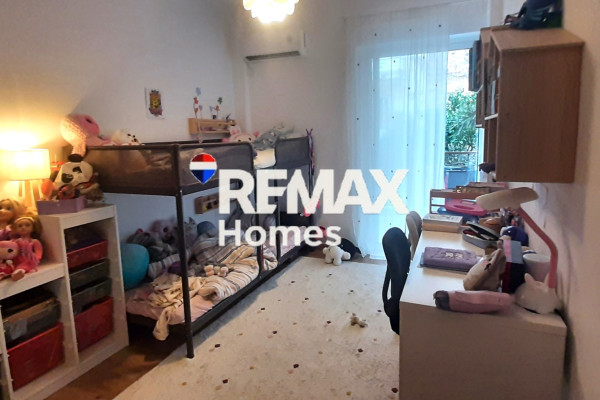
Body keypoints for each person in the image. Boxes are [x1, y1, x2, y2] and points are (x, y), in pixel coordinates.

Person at [11, 212, 43, 281]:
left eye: (27, 225)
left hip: (29, 261)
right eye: (20, 226)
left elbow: (38, 253)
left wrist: (35, 258)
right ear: (15, 229)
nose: (23, 228)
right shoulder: (15, 242)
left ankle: (18, 273)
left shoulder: (34, 241)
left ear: (33, 228)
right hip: (16, 260)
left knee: (24, 266)